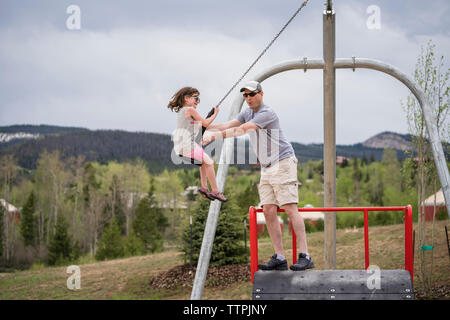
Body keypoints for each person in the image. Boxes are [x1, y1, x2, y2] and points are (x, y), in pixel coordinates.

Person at [202, 80, 313, 270]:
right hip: (267, 167)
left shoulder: (266, 113)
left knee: (289, 208)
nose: (248, 98)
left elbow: (242, 130)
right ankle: (279, 257)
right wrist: (206, 126)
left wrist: (213, 136)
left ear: (261, 94)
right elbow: (230, 124)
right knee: (269, 209)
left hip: (283, 162)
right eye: (245, 95)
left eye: (252, 94)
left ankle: (305, 256)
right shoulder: (247, 112)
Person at [168, 86, 228, 202]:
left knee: (203, 163)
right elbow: (205, 123)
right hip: (186, 145)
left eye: (198, 99)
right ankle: (215, 191)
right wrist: (215, 114)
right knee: (209, 162)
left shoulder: (183, 111)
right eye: (196, 99)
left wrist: (220, 123)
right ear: (186, 98)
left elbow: (204, 125)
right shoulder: (190, 110)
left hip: (182, 146)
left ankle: (204, 187)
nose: (198, 102)